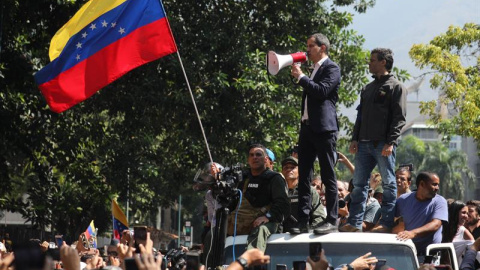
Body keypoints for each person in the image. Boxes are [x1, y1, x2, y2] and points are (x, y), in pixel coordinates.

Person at [344, 48, 407, 233]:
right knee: (358, 184)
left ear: (383, 62)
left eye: (372, 60)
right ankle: (354, 223)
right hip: (363, 143)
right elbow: (360, 116)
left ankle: (386, 223)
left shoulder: (396, 87)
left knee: (388, 184)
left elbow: (399, 118)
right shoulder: (367, 88)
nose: (369, 63)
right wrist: (355, 138)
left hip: (383, 144)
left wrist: (391, 142)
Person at [290, 33, 341, 234]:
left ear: (322, 48)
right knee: (304, 176)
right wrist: (302, 76)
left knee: (328, 174)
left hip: (324, 129)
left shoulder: (332, 68)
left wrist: (301, 77)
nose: (307, 49)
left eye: (311, 46)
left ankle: (332, 219)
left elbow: (321, 91)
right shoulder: (314, 69)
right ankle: (303, 220)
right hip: (308, 128)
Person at [227, 144, 289, 252]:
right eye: (251, 155)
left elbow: (282, 204)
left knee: (260, 231)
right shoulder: (243, 178)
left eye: (258, 154)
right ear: (248, 159)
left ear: (266, 159)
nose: (254, 157)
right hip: (242, 219)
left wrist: (267, 216)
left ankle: (251, 263)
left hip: (266, 221)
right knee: (214, 232)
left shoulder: (274, 178)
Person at [394, 172, 448, 256]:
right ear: (422, 184)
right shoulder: (403, 200)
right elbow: (394, 222)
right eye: (434, 184)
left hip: (429, 255)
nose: (437, 188)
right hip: (407, 253)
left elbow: (436, 224)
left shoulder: (440, 201)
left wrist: (413, 233)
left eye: (438, 185)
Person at [280, 156, 326, 233]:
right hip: (281, 237)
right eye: (286, 167)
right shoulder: (278, 190)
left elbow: (319, 216)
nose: (288, 169)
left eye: (292, 167)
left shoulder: (308, 191)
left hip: (305, 236)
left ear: (299, 171)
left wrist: (310, 231)